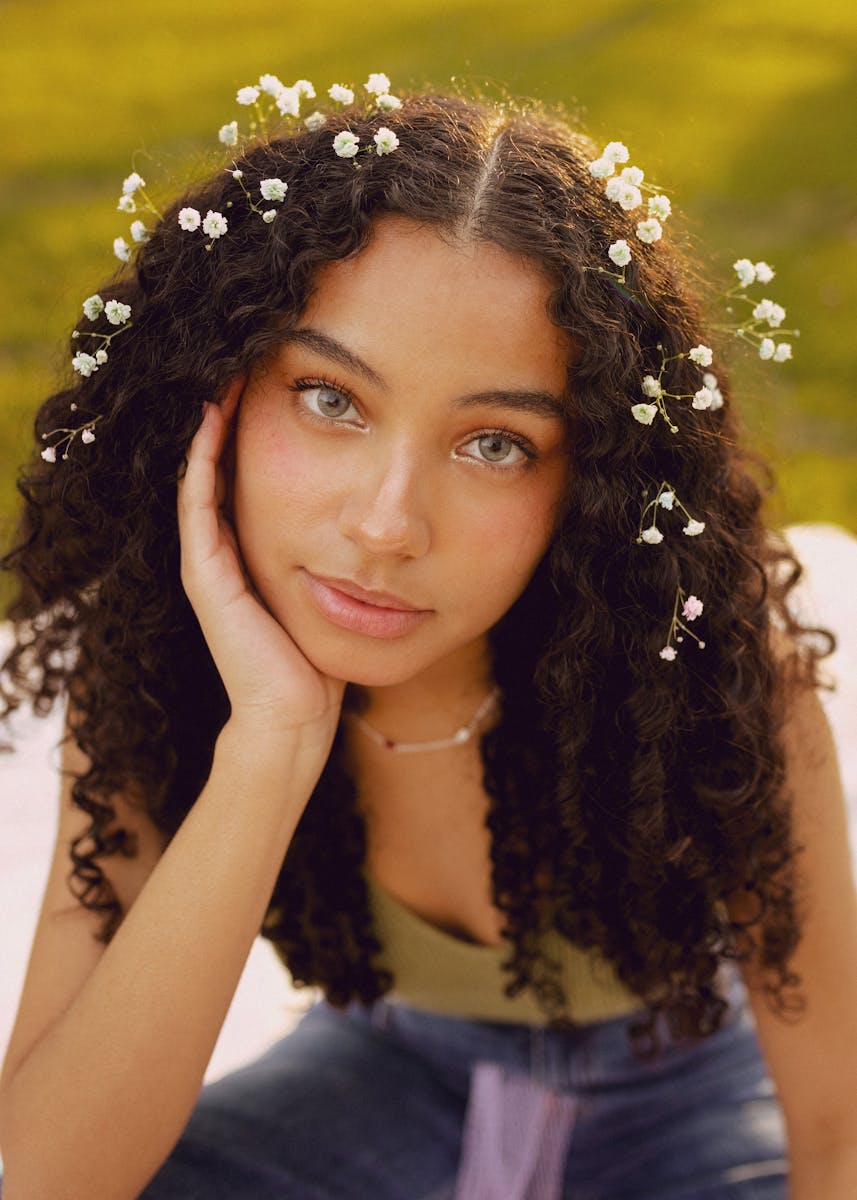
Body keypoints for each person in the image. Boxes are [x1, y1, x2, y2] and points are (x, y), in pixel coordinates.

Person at [0, 76, 855, 1200]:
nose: (386, 525)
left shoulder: (699, 671)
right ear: (215, 394)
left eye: (494, 443)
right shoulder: (157, 661)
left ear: (585, 479)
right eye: (330, 399)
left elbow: (837, 1138)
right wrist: (270, 743)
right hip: (385, 1075)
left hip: (691, 1101)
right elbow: (46, 1174)